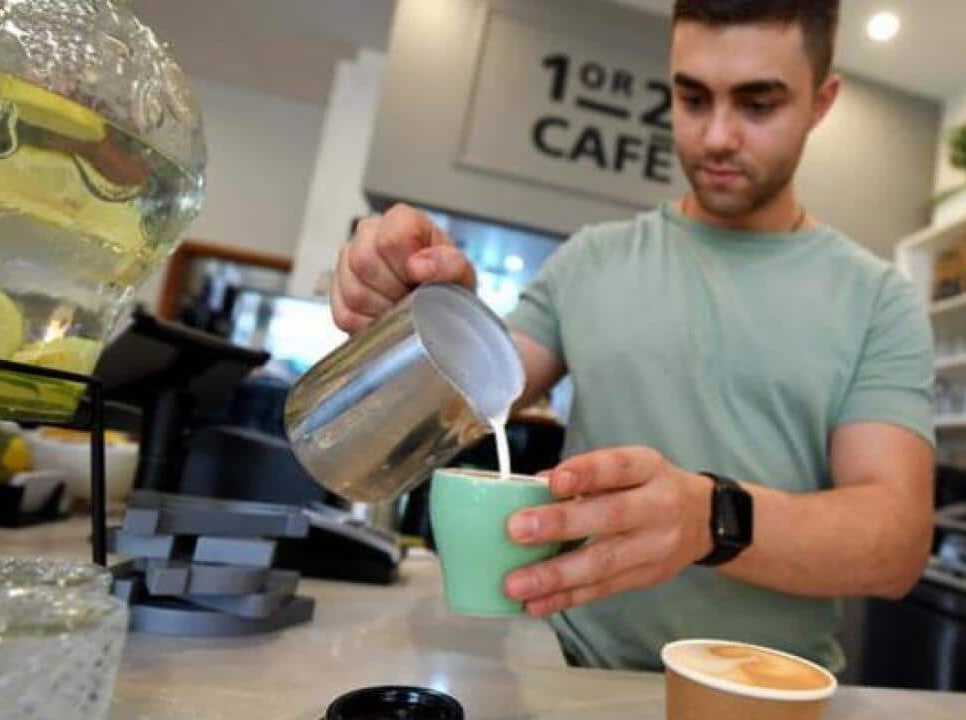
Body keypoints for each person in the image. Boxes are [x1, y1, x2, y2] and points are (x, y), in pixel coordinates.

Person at [331, 0, 934, 673]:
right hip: (576, 674)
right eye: (692, 97)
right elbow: (462, 399)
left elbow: (896, 543)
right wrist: (423, 318)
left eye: (758, 105)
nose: (715, 138)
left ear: (822, 102)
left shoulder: (876, 299)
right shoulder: (591, 261)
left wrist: (709, 517)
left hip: (766, 692)